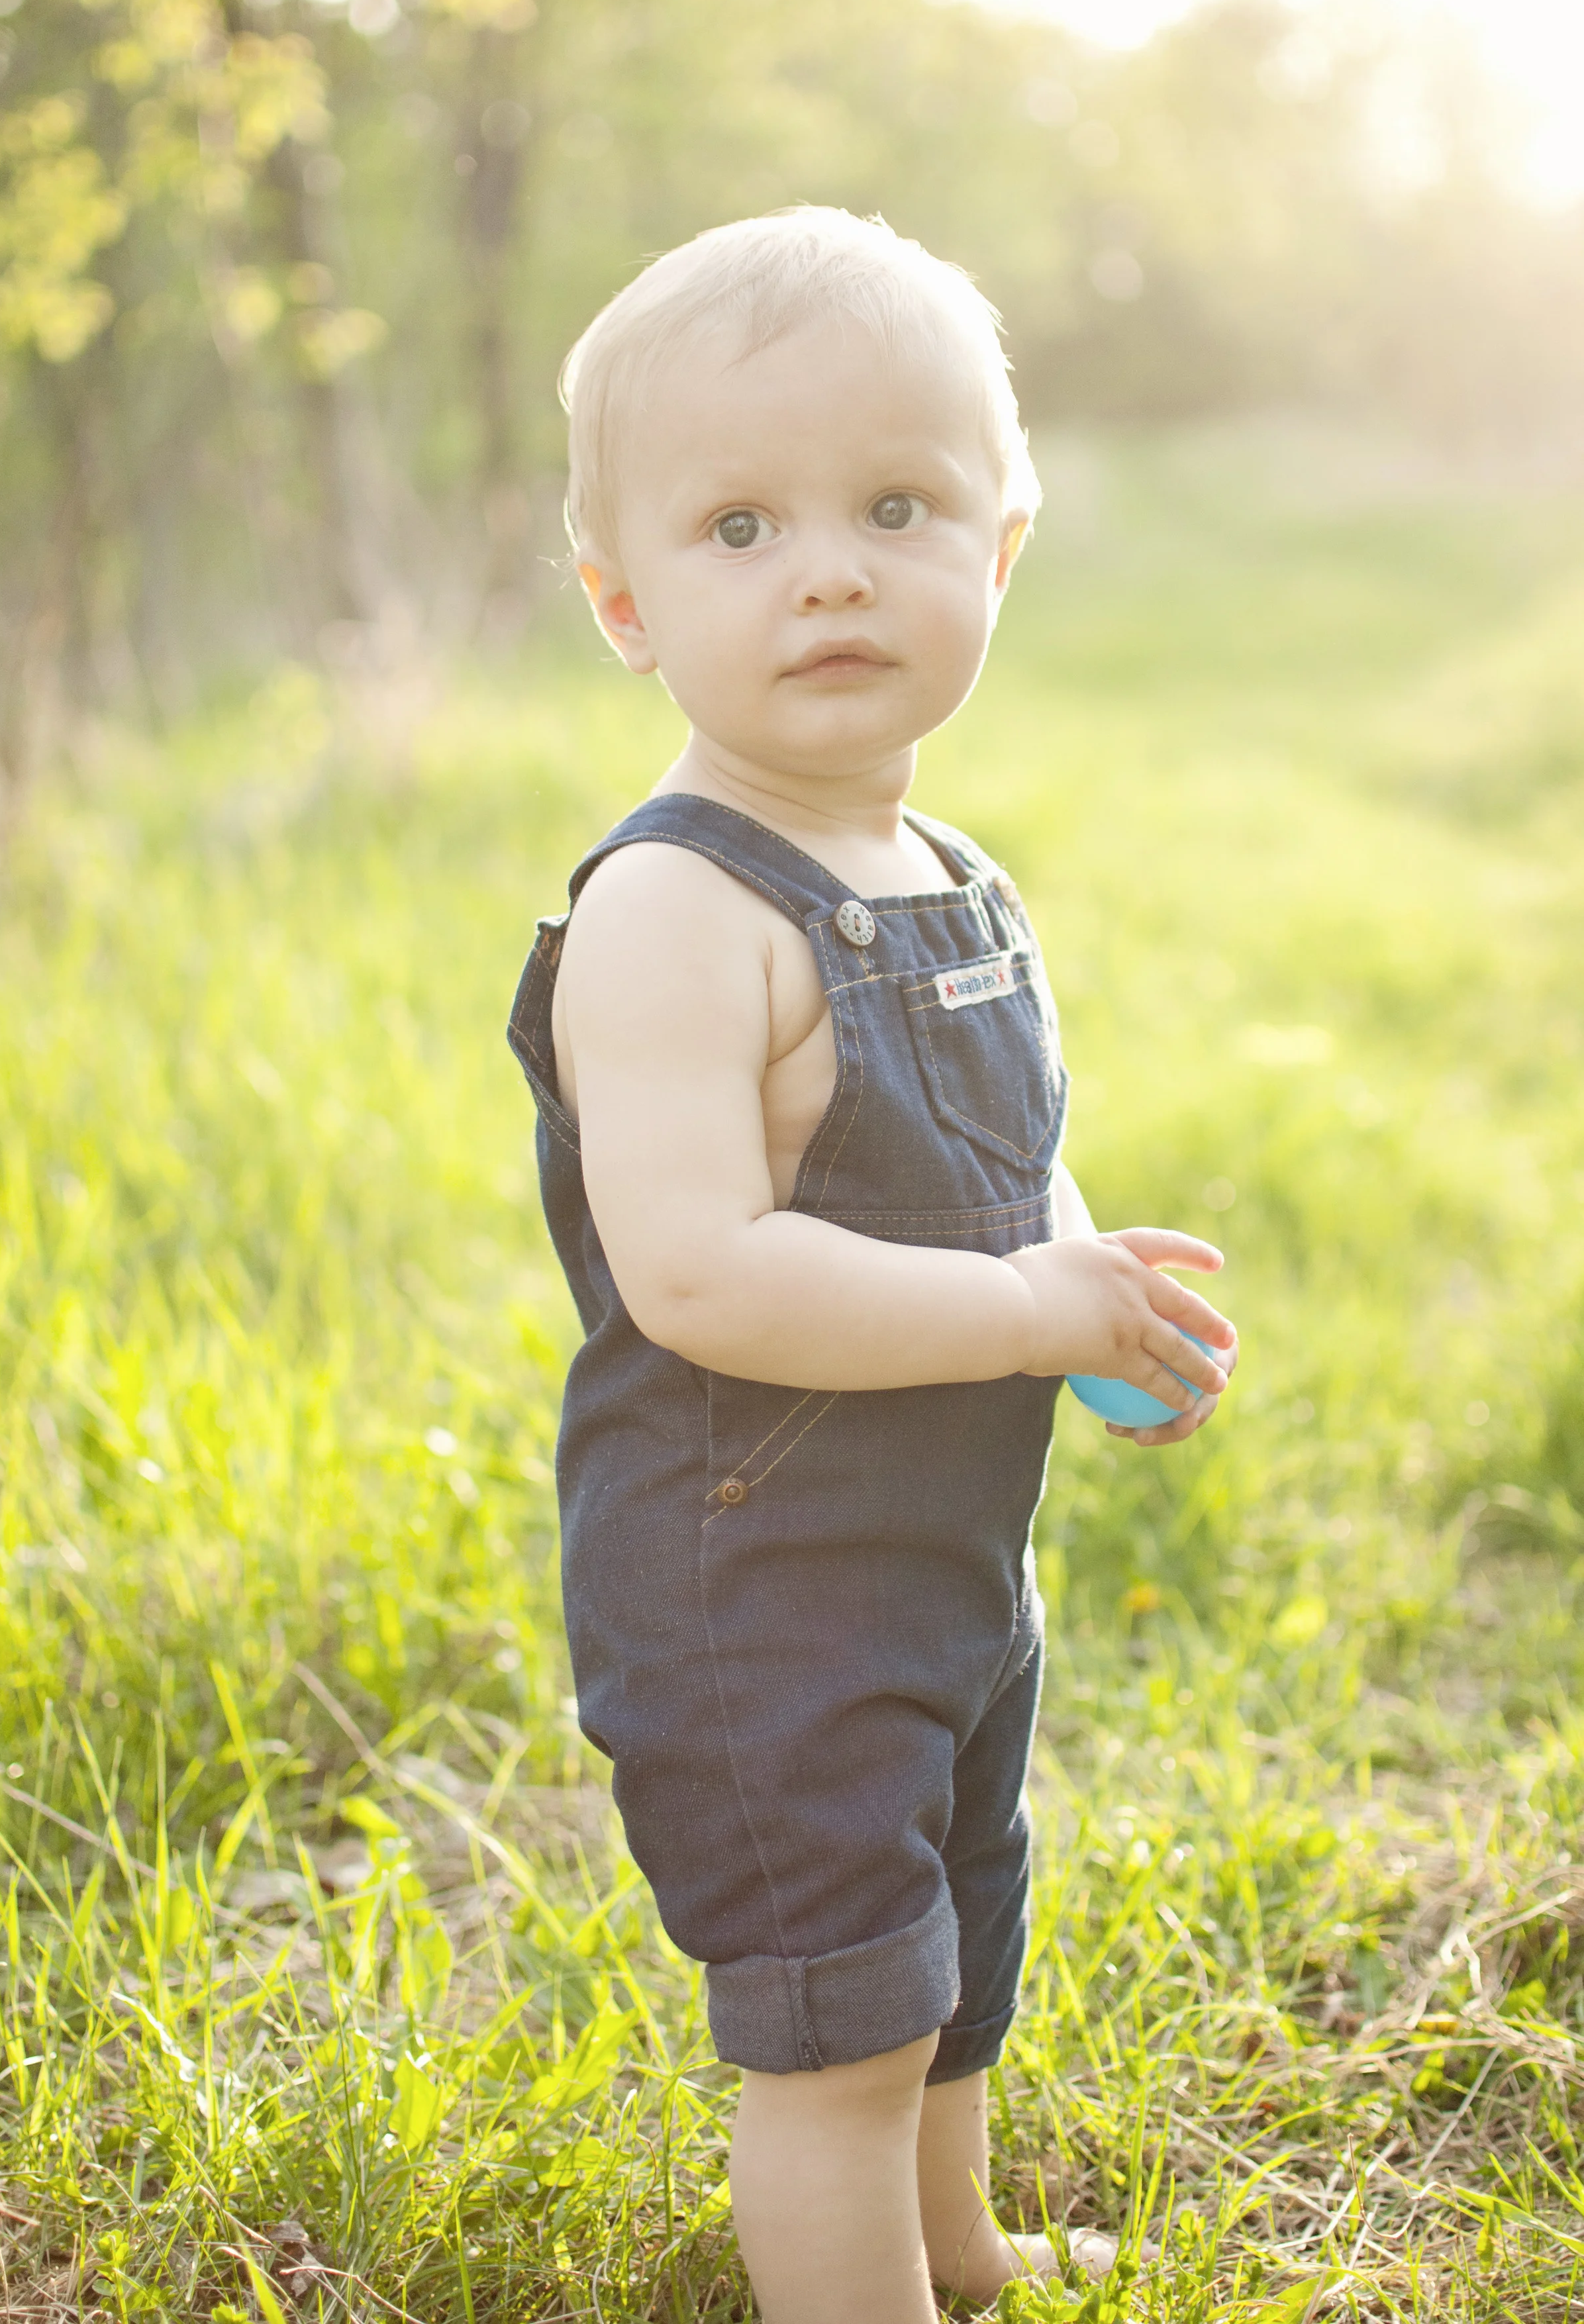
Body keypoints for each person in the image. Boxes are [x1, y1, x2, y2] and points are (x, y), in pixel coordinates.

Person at [508, 207, 1238, 2323]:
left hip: (939, 1561)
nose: (826, 571)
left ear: (996, 550)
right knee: (837, 2024)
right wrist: (1017, 1311)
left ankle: (959, 2249)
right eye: (739, 526)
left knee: (949, 1950)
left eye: (894, 508)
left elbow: (1005, 1165)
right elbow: (699, 1273)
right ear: (625, 604)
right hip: (754, 1588)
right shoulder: (672, 911)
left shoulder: (947, 873)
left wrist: (1096, 1294)